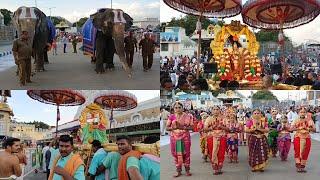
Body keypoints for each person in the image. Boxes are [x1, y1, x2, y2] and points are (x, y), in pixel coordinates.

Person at [166, 102, 193, 177]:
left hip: (185, 137)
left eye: (179, 107)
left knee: (186, 153)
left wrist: (182, 127)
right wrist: (173, 128)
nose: (177, 109)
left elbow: (191, 127)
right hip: (174, 137)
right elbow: (167, 127)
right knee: (175, 154)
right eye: (176, 108)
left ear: (182, 108)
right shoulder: (171, 117)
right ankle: (178, 171)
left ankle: (187, 170)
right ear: (173, 109)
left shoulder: (188, 116)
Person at [291, 107, 316, 173]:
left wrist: (308, 128)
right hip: (298, 137)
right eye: (301, 112)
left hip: (307, 137)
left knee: (305, 152)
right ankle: (298, 166)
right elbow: (291, 129)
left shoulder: (309, 120)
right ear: (299, 113)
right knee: (297, 151)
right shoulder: (296, 120)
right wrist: (299, 128)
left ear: (306, 113)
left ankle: (302, 166)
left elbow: (314, 130)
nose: (302, 113)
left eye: (304, 112)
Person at [204, 106, 228, 175]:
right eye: (214, 109)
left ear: (220, 110)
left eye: (217, 109)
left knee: (221, 152)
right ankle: (215, 168)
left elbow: (228, 129)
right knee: (212, 152)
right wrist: (212, 127)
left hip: (222, 137)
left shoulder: (224, 118)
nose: (215, 111)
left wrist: (221, 127)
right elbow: (205, 129)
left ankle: (220, 168)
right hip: (211, 137)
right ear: (212, 111)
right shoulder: (209, 119)